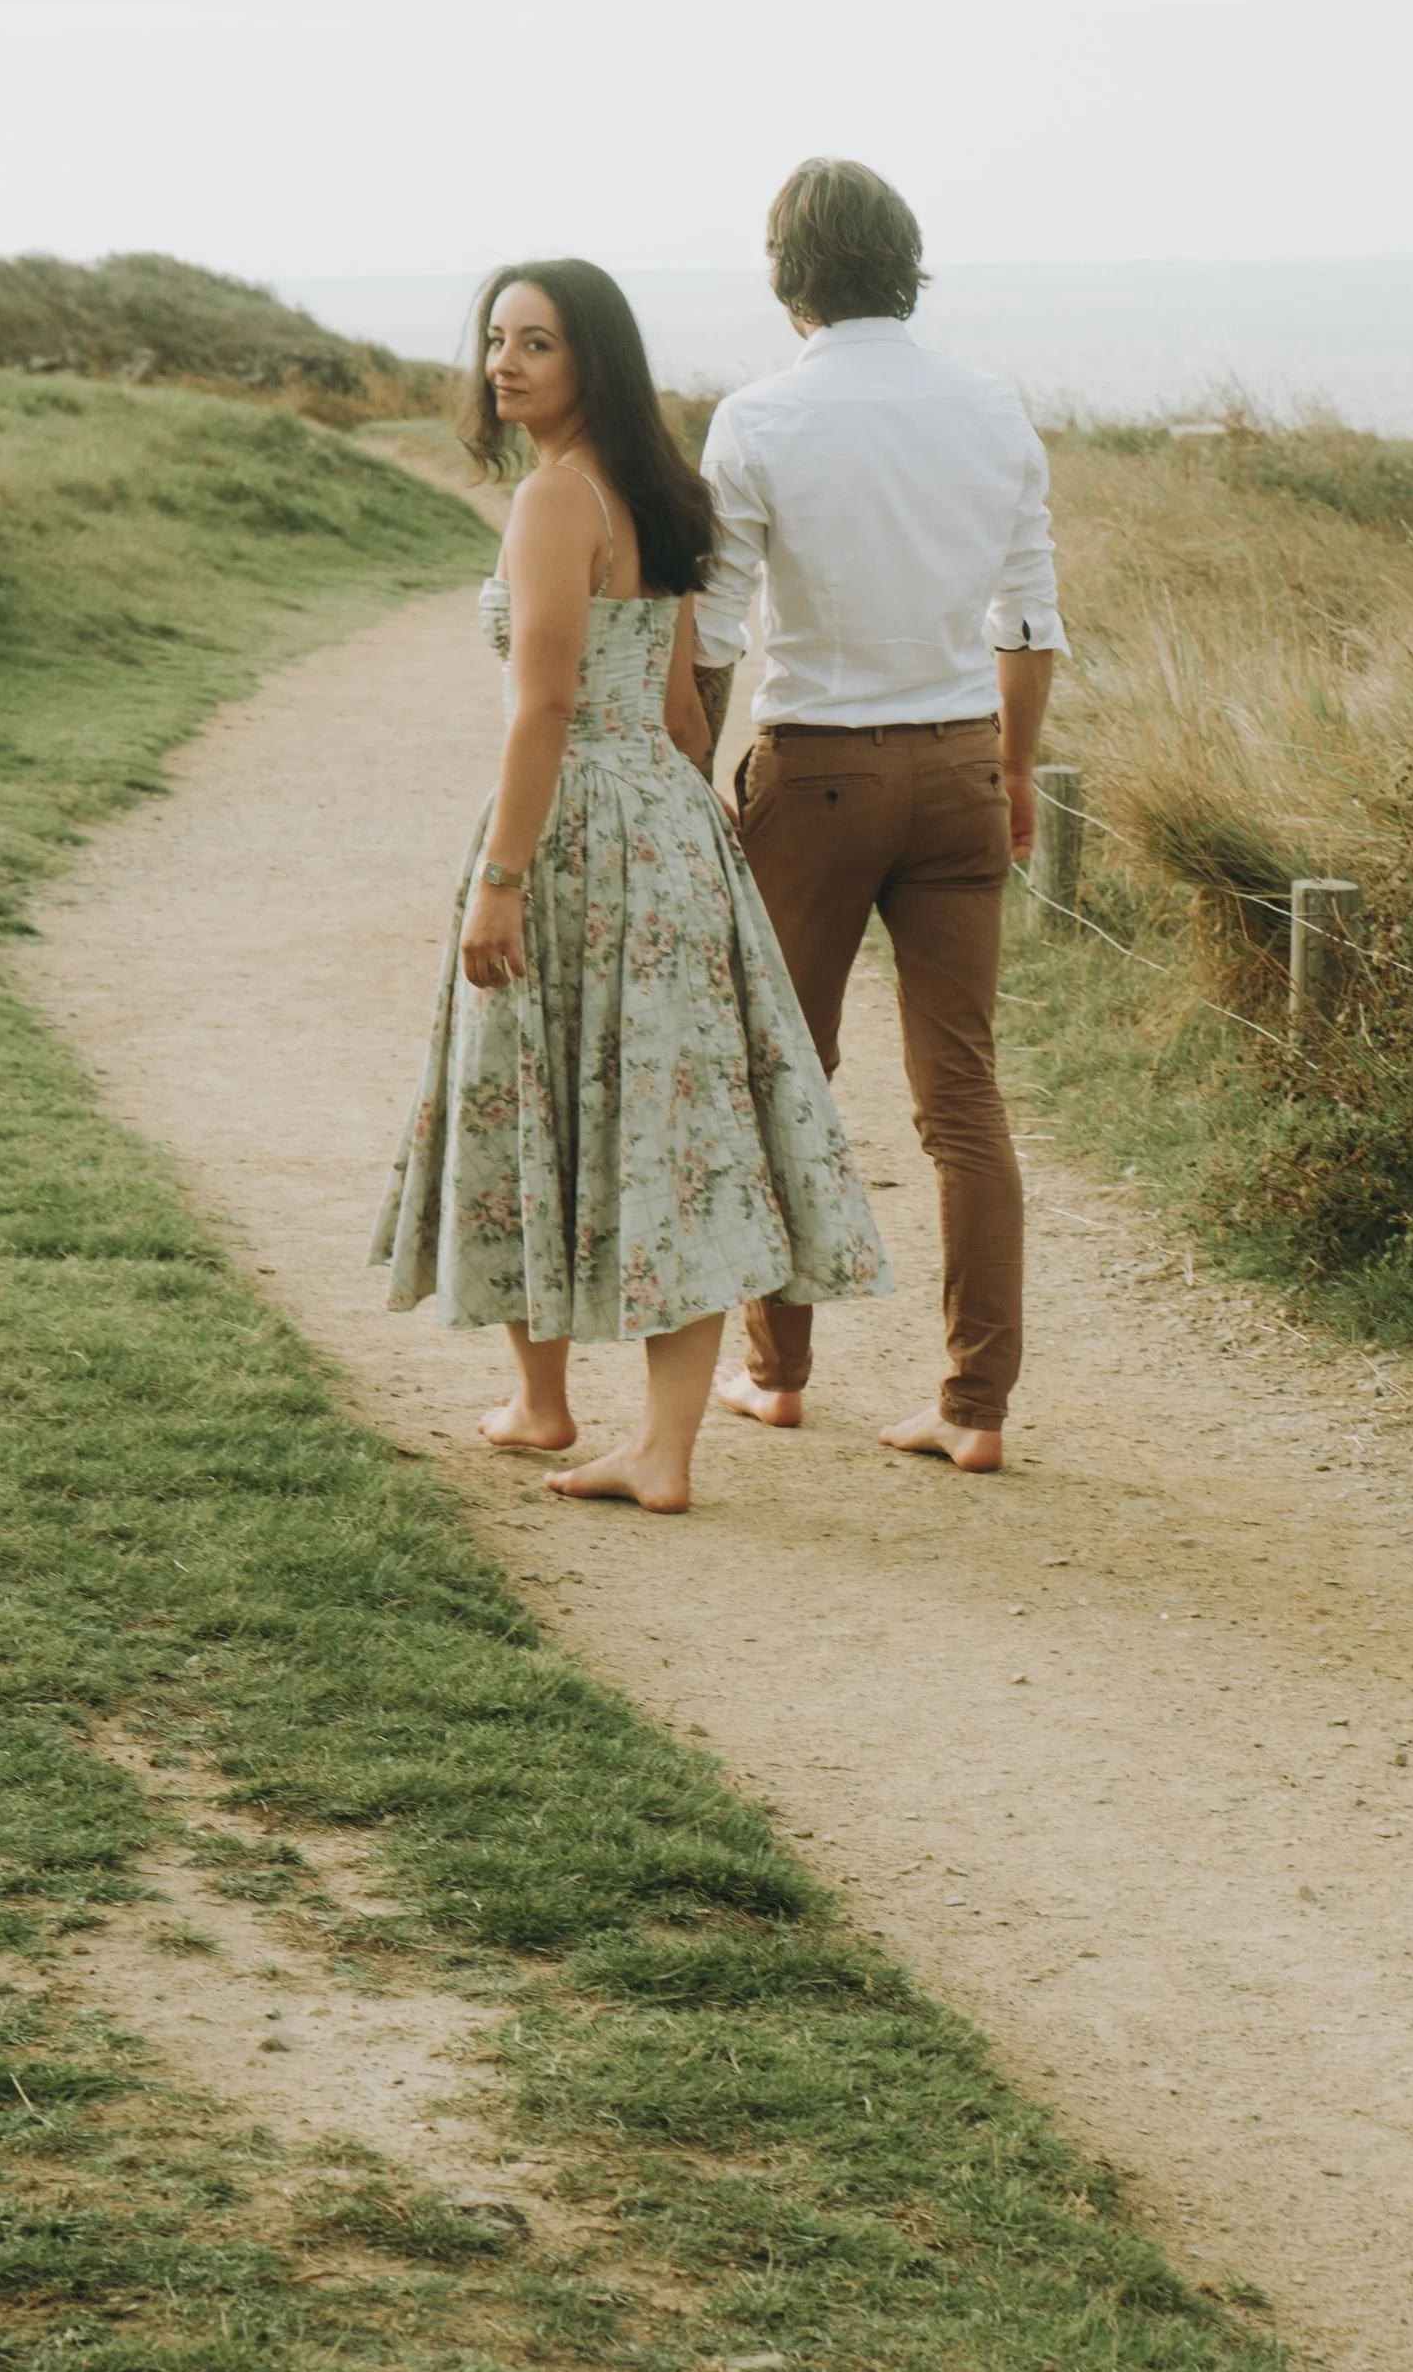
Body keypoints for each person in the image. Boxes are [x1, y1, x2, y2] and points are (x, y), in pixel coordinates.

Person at [369, 258, 890, 1512]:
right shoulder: (657, 491)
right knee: (678, 1123)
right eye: (496, 339)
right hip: (661, 816)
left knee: (525, 1087)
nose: (503, 364)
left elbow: (546, 705)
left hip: (575, 826)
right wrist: (692, 841)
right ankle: (626, 1434)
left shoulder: (554, 500)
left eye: (535, 343)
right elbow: (672, 699)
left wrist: (502, 877)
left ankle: (559, 1407)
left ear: (591, 359)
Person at [692, 159, 1065, 1473]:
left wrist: (696, 759)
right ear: (905, 262)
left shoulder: (759, 418)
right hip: (963, 762)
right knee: (962, 1094)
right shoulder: (992, 408)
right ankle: (974, 1407)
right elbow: (1028, 615)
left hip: (820, 769)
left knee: (786, 1066)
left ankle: (775, 1369)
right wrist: (1014, 767)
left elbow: (716, 627)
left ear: (788, 268)